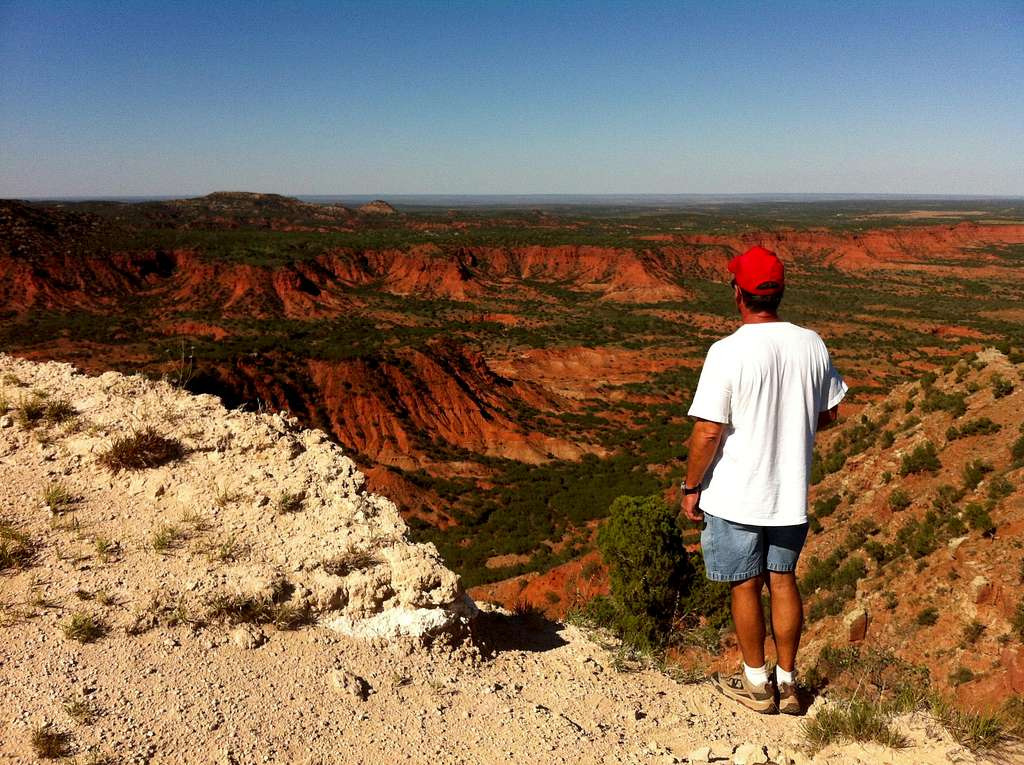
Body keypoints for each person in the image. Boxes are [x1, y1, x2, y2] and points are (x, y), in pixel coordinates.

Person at [681, 245, 847, 715]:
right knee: (784, 579)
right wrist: (791, 427)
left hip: (735, 496)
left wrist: (691, 486)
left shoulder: (726, 351)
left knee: (744, 586)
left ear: (739, 293)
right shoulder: (812, 343)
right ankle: (790, 684)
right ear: (780, 293)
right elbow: (830, 411)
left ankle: (758, 686)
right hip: (789, 493)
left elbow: (709, 430)